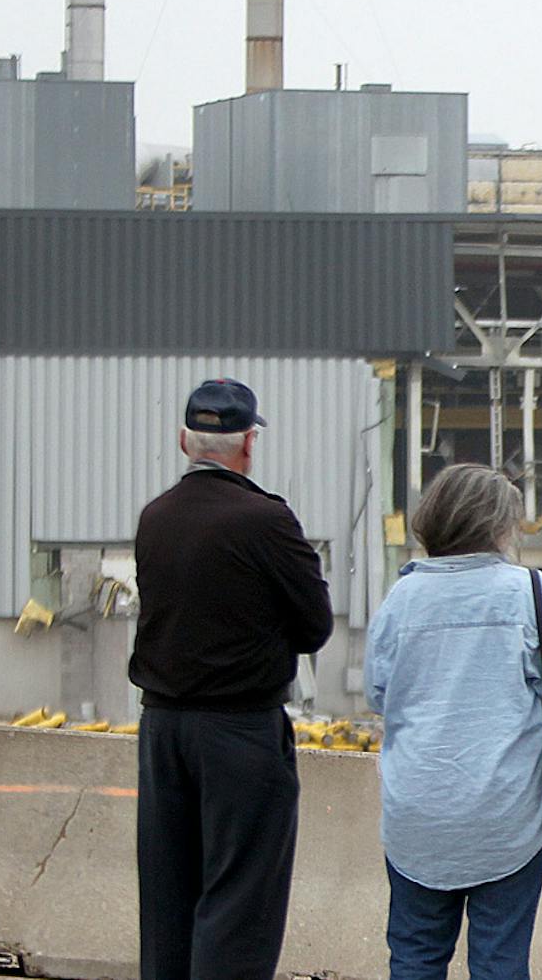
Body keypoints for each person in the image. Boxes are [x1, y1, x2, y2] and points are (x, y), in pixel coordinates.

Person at [130, 378, 334, 980]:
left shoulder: (155, 518)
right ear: (249, 443)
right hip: (241, 729)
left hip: (162, 729)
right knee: (240, 897)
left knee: (168, 895)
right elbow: (315, 624)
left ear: (183, 441)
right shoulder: (265, 520)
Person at [366, 464, 542, 980]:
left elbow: (377, 694)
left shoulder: (399, 600)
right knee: (499, 962)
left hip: (417, 815)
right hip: (505, 814)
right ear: (498, 526)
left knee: (414, 957)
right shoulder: (525, 592)